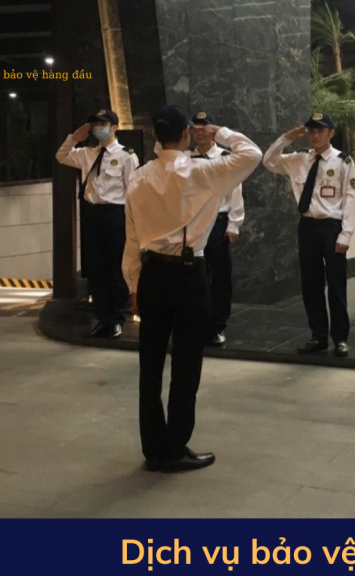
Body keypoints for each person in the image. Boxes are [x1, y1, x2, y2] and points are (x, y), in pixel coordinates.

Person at [122, 104, 262, 473]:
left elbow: (131, 238)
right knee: (186, 364)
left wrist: (134, 284)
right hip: (187, 274)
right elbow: (252, 154)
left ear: (155, 136)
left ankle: (153, 447)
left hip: (151, 275)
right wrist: (220, 133)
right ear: (187, 134)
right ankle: (175, 446)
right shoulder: (203, 172)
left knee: (150, 364)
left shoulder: (138, 177)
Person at [263, 113, 355, 357]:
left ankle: (340, 338)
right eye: (312, 131)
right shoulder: (298, 159)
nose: (315, 136)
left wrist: (346, 234)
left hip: (332, 228)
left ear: (331, 133)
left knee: (336, 285)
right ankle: (318, 336)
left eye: (320, 131)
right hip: (308, 227)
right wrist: (285, 139)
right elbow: (268, 161)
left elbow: (350, 198)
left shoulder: (343, 162)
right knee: (311, 285)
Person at [55, 109, 138, 339]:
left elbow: (133, 192)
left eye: (103, 124)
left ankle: (116, 319)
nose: (98, 128)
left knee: (116, 269)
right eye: (95, 124)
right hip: (92, 214)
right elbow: (61, 156)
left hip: (116, 215)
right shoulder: (87, 153)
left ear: (114, 127)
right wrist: (74, 138)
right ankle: (102, 318)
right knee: (97, 269)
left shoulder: (126, 155)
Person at [189, 111, 246, 347]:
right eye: (196, 127)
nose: (200, 132)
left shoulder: (225, 158)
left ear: (214, 130)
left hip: (218, 221)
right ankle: (198, 323)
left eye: (205, 127)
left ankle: (218, 324)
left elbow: (235, 191)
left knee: (219, 276)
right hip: (193, 222)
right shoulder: (186, 158)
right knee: (196, 275)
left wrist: (234, 224)